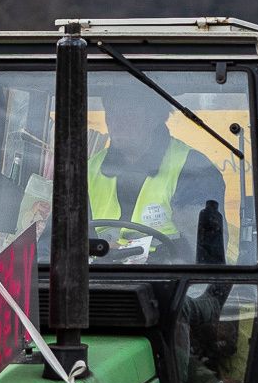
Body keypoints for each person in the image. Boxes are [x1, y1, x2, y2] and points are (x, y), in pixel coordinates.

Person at [88, 87, 226, 262]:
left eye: (129, 113)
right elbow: (55, 241)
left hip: (169, 281)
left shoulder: (193, 170)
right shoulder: (87, 170)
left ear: (154, 118)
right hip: (99, 281)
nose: (117, 122)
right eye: (112, 113)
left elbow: (203, 255)